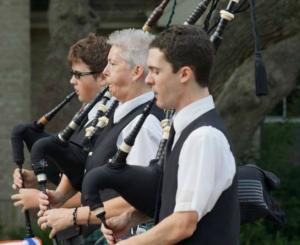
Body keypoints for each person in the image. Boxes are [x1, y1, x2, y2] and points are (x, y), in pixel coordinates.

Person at [101, 25, 240, 245]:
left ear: (185, 74)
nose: (148, 79)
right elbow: (179, 203)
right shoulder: (184, 129)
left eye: (156, 71)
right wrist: (131, 217)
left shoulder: (203, 137)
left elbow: (183, 224)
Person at [37, 29, 163, 241]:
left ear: (137, 71)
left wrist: (73, 215)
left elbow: (142, 199)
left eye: (112, 64)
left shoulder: (145, 125)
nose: (104, 72)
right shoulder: (117, 114)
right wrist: (61, 195)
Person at [11, 33, 110, 213]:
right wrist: (36, 176)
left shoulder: (111, 120)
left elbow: (107, 193)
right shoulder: (88, 116)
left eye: (78, 75)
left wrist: (44, 199)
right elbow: (76, 170)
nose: (72, 81)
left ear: (103, 76)